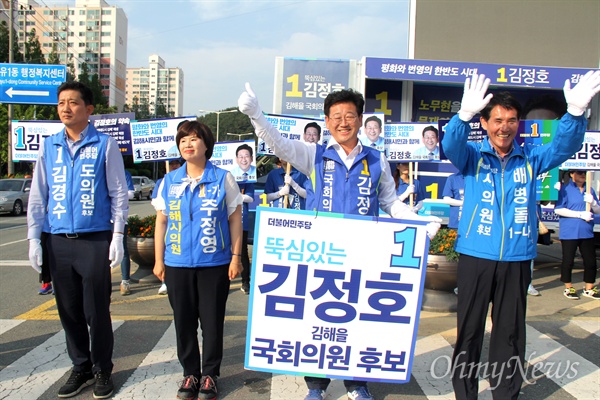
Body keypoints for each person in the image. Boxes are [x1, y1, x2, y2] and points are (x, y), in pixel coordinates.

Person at [239, 83, 441, 400]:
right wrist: (256, 114)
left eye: (350, 115)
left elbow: (391, 203)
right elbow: (278, 144)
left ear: (360, 120)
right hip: (323, 254)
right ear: (327, 121)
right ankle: (316, 386)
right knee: (317, 318)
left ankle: (357, 384)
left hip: (364, 255)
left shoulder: (376, 161)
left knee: (357, 319)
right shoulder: (315, 154)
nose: (343, 122)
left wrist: (417, 221)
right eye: (336, 116)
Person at [441, 71, 600, 400]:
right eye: (497, 119)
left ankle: (506, 394)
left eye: (511, 120)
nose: (504, 127)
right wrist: (463, 115)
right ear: (485, 123)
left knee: (510, 335)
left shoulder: (531, 159)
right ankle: (465, 395)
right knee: (468, 332)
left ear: (518, 124)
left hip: (516, 258)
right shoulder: (472, 157)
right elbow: (451, 144)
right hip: (475, 255)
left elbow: (564, 145)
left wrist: (573, 114)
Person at [27, 81, 128, 399]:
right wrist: (34, 238)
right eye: (61, 103)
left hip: (94, 240)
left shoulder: (104, 145)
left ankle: (101, 369)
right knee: (68, 309)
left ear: (89, 109)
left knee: (96, 310)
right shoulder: (49, 146)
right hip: (58, 242)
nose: (66, 108)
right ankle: (80, 366)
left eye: (73, 102)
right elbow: (38, 195)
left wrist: (118, 235)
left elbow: (119, 193)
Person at [152, 120, 243, 400]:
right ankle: (190, 374)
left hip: (213, 263)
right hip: (177, 263)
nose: (187, 145)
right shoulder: (169, 181)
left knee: (212, 322)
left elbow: (235, 218)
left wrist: (236, 257)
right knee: (184, 322)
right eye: (182, 141)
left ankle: (210, 376)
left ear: (206, 144)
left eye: (193, 139)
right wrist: (159, 260)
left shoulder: (222, 178)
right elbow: (162, 222)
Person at [522, 95, 567, 297]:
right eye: (533, 125)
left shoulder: (555, 163)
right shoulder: (519, 161)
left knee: (530, 254)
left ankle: (528, 283)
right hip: (513, 223)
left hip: (532, 220)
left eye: (547, 127)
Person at [554, 170, 600, 300]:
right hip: (569, 232)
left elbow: (597, 210)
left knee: (590, 261)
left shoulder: (589, 190)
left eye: (584, 173)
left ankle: (589, 288)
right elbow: (558, 209)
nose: (583, 176)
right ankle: (568, 287)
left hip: (586, 231)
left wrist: (594, 203)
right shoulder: (565, 189)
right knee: (568, 261)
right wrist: (579, 214)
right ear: (572, 174)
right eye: (580, 173)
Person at [151, 158, 182, 295]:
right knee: (166, 251)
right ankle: (165, 281)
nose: (174, 166)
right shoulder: (163, 182)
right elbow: (156, 202)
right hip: (170, 223)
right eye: (171, 164)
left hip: (182, 225)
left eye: (176, 163)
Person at [238, 172, 255, 295]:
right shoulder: (223, 177)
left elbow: (250, 198)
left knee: (242, 251)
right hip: (223, 219)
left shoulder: (246, 179)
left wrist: (235, 195)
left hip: (241, 220)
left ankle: (245, 281)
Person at [120, 169, 135, 295]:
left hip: (119, 219)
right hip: (99, 220)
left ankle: (125, 281)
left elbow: (131, 193)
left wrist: (115, 193)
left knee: (123, 251)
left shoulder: (124, 173)